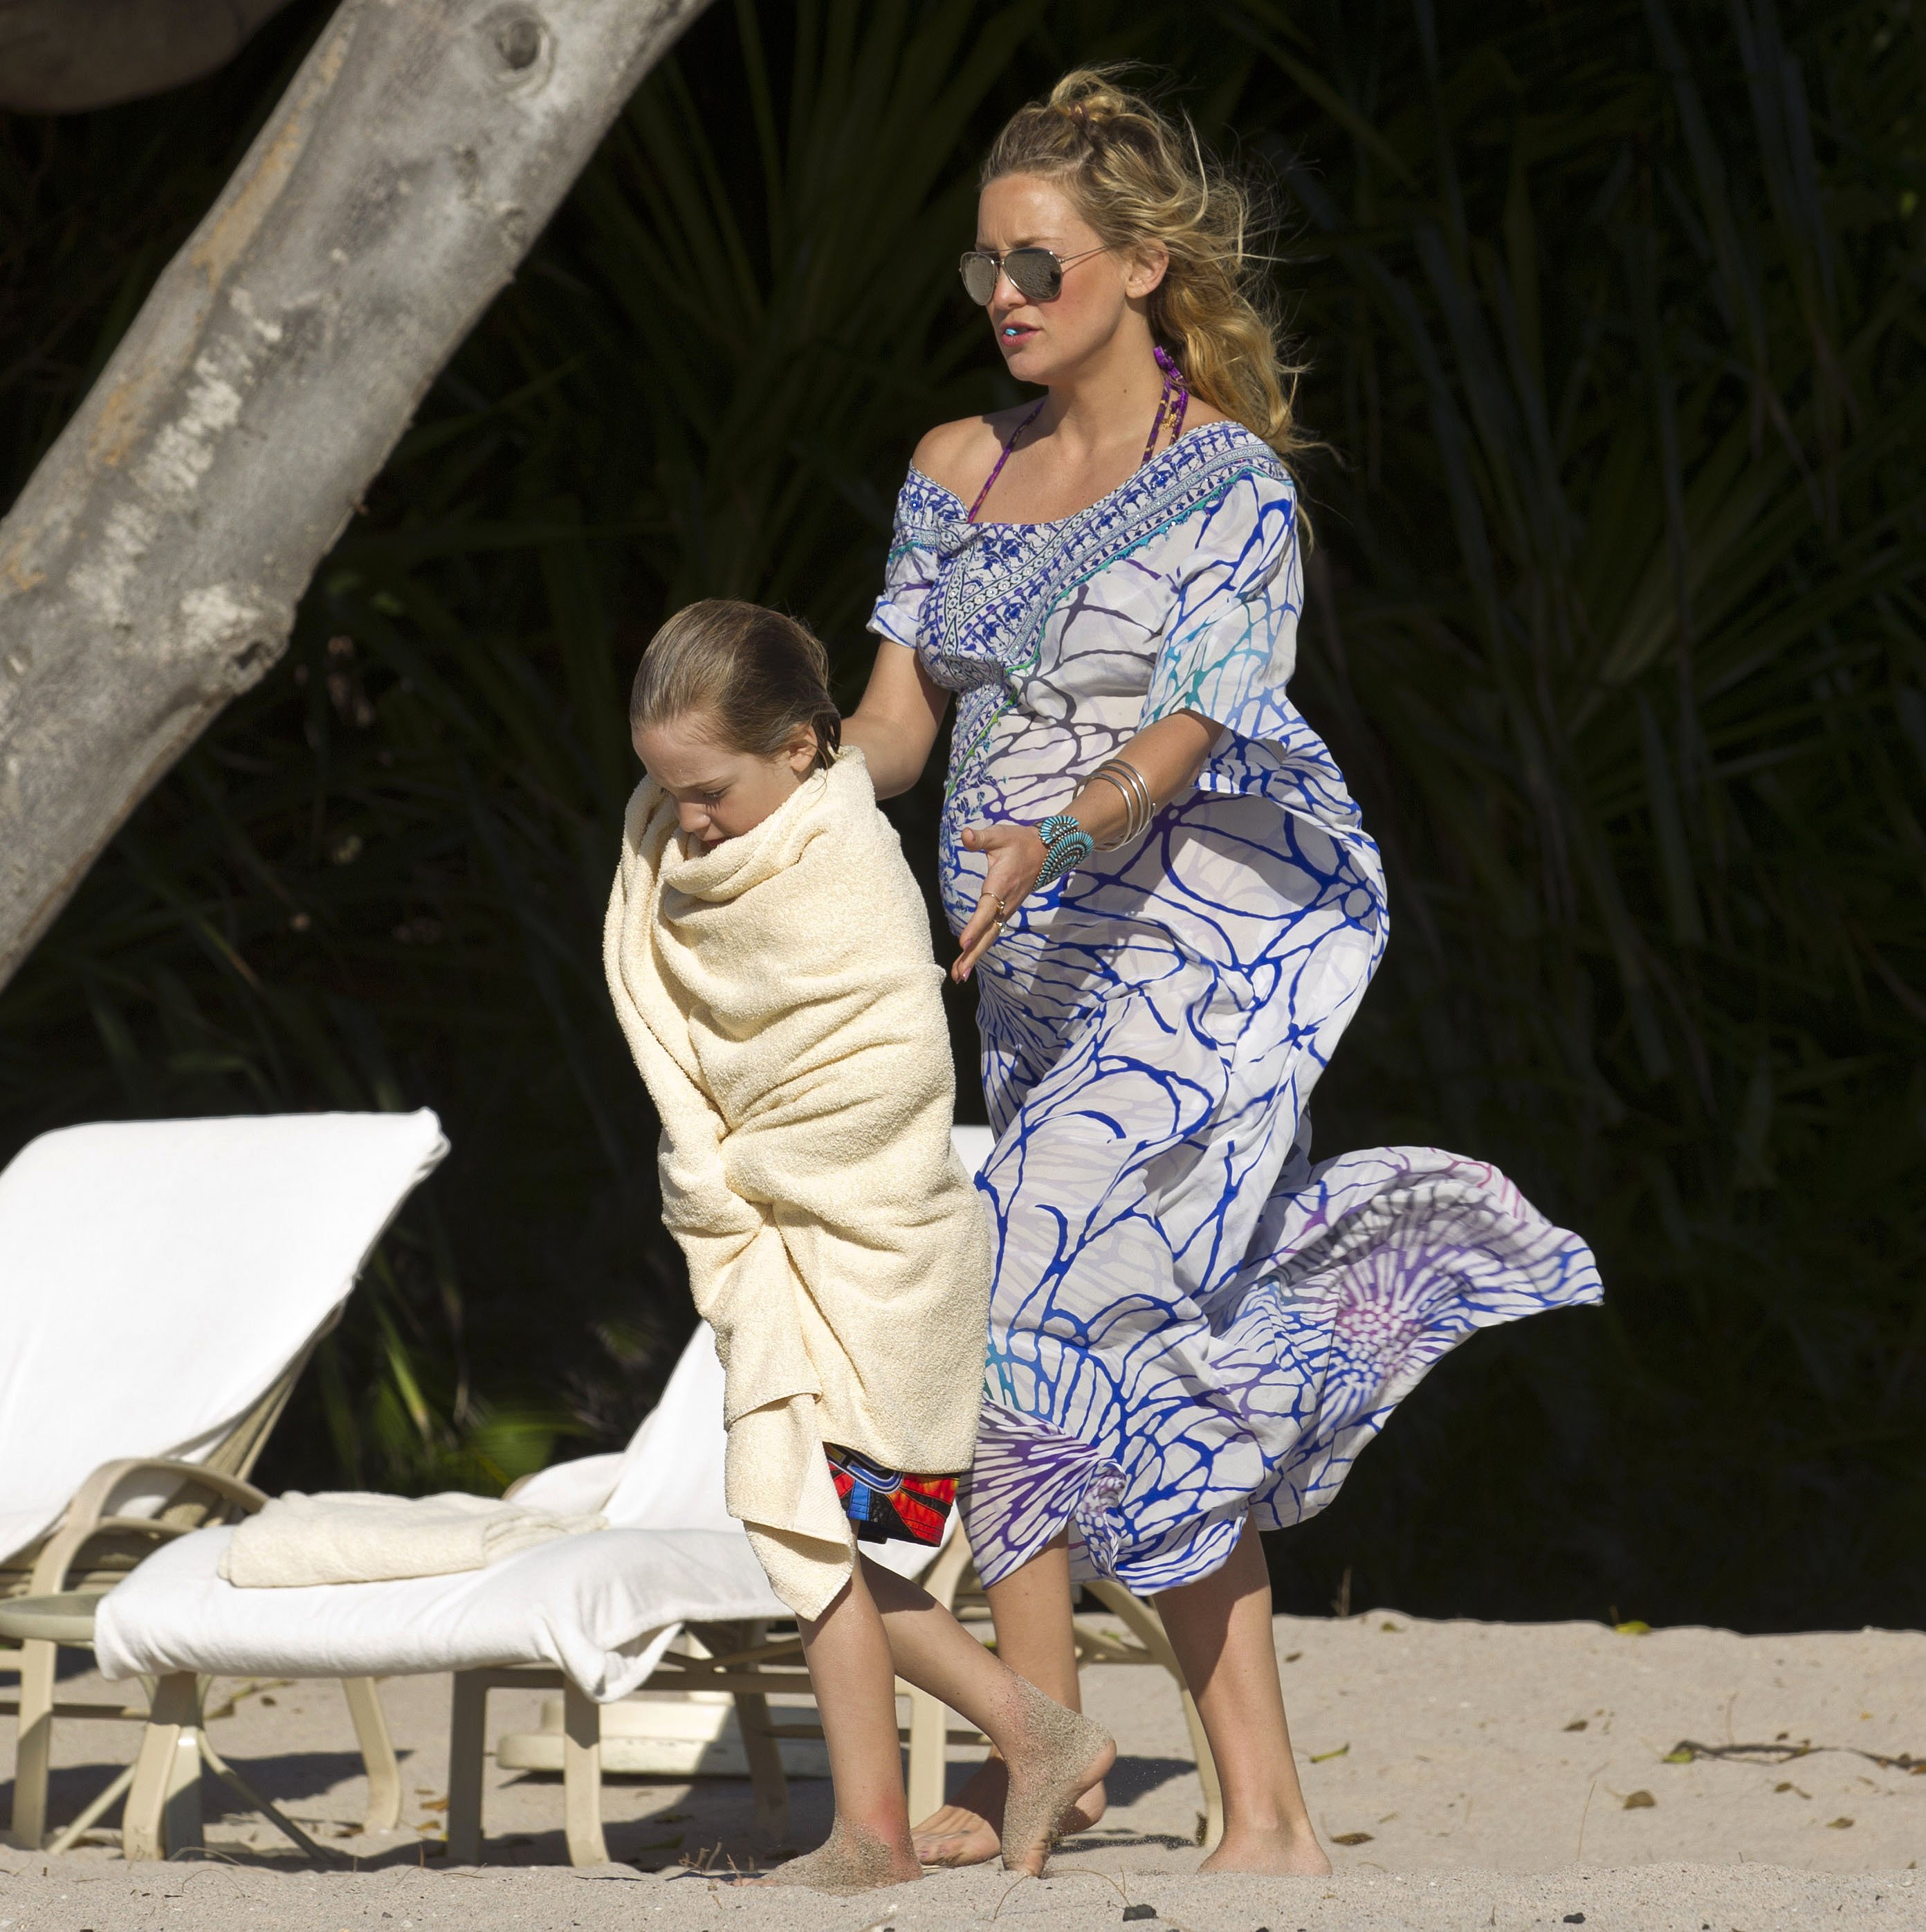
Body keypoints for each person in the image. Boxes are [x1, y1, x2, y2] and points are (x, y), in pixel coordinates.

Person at [839, 71, 1604, 1876]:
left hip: (1200, 967)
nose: (1006, 296)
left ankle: (1044, 1753)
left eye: (1038, 262)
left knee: (1013, 1293)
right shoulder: (960, 468)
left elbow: (1194, 727)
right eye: (985, 267)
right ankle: (1256, 1813)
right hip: (1026, 993)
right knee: (1104, 1353)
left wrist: (1055, 834)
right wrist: (740, 767)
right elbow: (888, 736)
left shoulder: (1227, 486)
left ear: (1141, 267)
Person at [604, 599, 1114, 1891]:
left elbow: (884, 1073)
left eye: (712, 791)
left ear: (801, 748)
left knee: (850, 1532)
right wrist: (725, 1191)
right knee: (810, 1530)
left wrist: (760, 1173)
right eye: (666, 792)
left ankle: (1026, 1733)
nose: (689, 822)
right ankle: (874, 1832)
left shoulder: (847, 863)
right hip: (773, 1249)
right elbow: (687, 1044)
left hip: (880, 1253)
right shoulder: (678, 851)